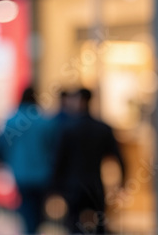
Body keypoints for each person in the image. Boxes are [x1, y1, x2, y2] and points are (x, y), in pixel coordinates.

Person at [52, 88, 125, 234]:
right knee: (99, 225)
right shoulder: (103, 128)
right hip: (94, 184)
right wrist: (122, 182)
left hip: (72, 185)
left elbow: (59, 160)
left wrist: (55, 186)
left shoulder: (67, 128)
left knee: (73, 225)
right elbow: (118, 157)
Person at [0, 87, 57, 234]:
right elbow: (52, 147)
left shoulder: (12, 120)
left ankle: (29, 230)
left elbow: (3, 146)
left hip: (20, 172)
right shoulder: (45, 121)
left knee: (26, 207)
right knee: (38, 208)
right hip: (43, 173)